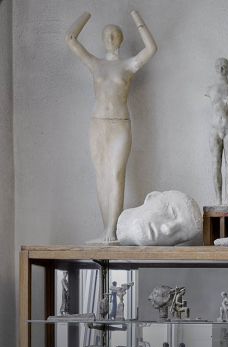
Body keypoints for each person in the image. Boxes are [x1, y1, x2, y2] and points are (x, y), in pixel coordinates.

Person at [65, 10, 158, 243]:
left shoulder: (128, 65)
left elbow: (151, 48)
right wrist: (86, 14)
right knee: (101, 176)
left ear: (121, 39)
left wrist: (136, 17)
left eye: (114, 34)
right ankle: (105, 228)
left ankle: (112, 230)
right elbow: (70, 39)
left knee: (116, 174)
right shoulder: (95, 64)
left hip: (120, 125)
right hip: (97, 124)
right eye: (106, 34)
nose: (110, 37)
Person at [205, 58, 228, 206]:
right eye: (218, 66)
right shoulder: (210, 89)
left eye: (224, 66)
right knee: (215, 163)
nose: (221, 68)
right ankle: (218, 200)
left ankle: (227, 200)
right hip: (214, 128)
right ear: (215, 68)